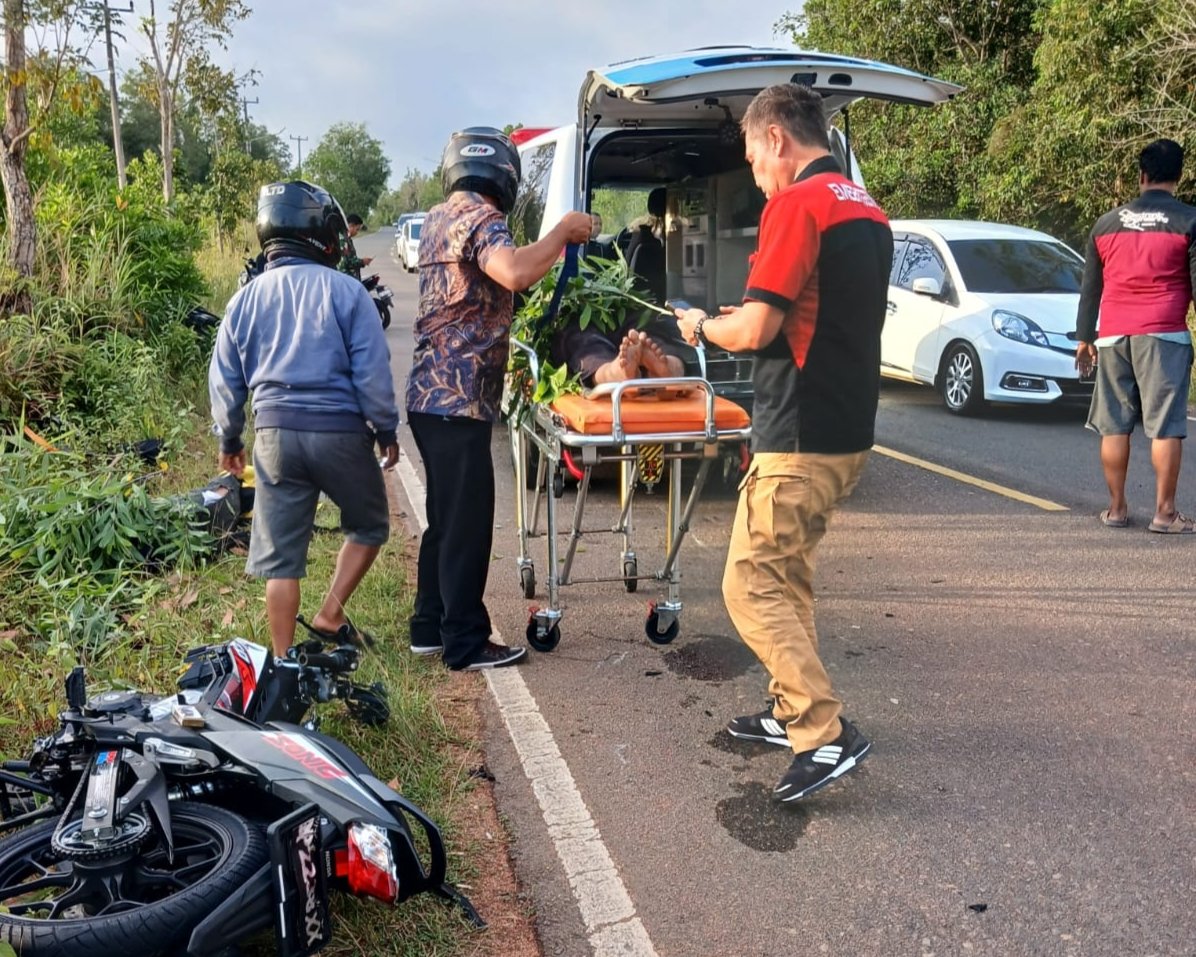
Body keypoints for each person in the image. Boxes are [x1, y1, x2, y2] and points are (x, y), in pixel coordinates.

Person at [675, 83, 892, 803]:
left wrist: (705, 325)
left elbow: (761, 331)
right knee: (789, 573)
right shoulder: (866, 207)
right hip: (846, 426)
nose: (755, 173)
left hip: (797, 431)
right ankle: (786, 707)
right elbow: (810, 310)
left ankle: (823, 732)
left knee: (749, 581)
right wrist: (748, 315)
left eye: (752, 156)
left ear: (776, 138)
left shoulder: (796, 204)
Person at [405, 126, 595, 671]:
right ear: (503, 173)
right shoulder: (481, 218)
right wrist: (561, 232)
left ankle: (429, 625)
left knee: (445, 518)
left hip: (429, 398)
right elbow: (512, 270)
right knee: (466, 524)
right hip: (457, 398)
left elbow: (504, 279)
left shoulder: (441, 216)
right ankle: (464, 641)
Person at [209, 181, 400, 659]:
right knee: (370, 524)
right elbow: (373, 373)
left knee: (281, 562)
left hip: (273, 439)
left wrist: (230, 438)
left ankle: (281, 663)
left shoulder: (244, 300)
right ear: (321, 234)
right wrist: (386, 429)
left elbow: (224, 379)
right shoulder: (349, 292)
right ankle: (330, 613)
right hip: (339, 435)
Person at [1074, 138, 1196, 533]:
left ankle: (1116, 509)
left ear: (1141, 176)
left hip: (1111, 335)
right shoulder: (1188, 221)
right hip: (1163, 334)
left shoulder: (1106, 224)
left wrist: (1083, 337)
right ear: (1178, 176)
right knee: (1165, 424)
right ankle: (1164, 513)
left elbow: (1091, 287)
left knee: (1114, 424)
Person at [338, 212, 374, 278]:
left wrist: (362, 262)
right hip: (346, 278)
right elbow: (346, 262)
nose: (357, 232)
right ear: (351, 226)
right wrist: (362, 261)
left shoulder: (348, 239)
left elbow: (351, 258)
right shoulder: (342, 239)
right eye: (357, 229)